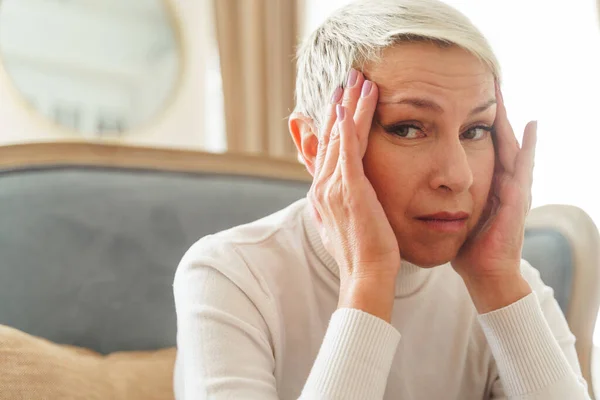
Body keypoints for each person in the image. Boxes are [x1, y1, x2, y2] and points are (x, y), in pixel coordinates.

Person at [173, 0, 591, 398]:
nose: (457, 176)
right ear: (315, 145)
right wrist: (368, 282)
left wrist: (498, 283)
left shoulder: (514, 285)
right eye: (408, 128)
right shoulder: (230, 276)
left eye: (475, 130)